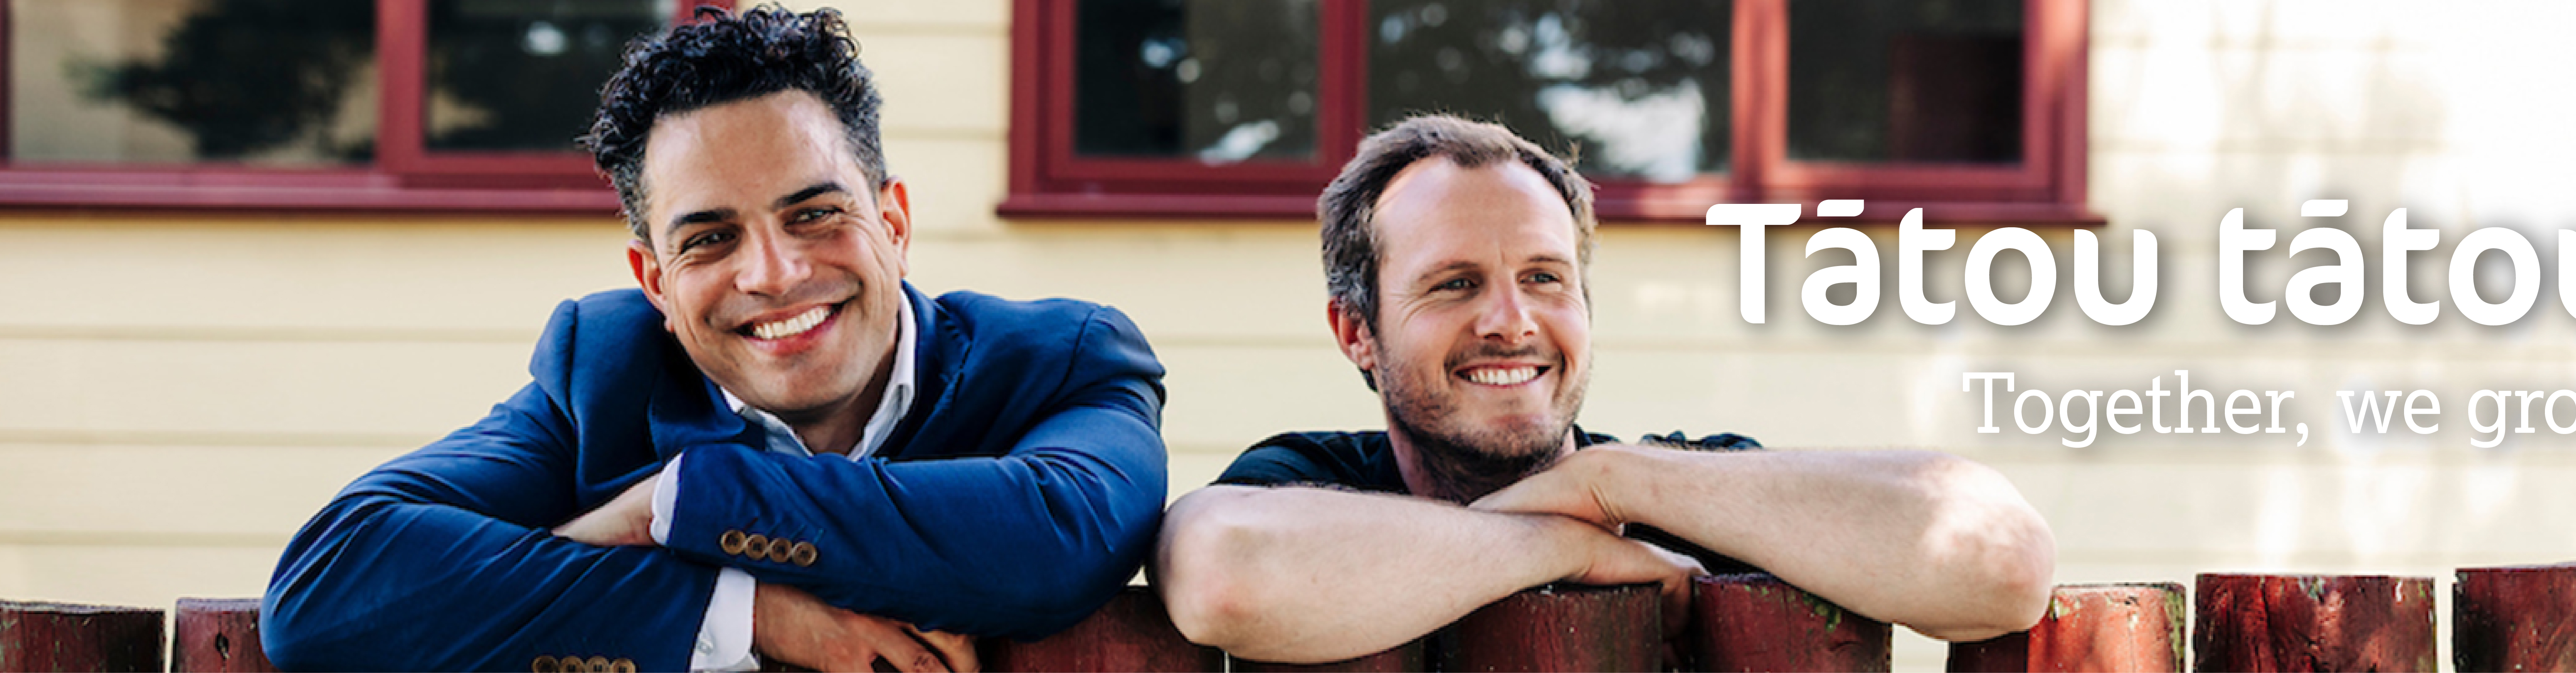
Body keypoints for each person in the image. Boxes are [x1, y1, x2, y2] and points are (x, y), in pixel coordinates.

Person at [261, 8, 1168, 672]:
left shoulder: (1061, 362)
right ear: (655, 281)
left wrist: (676, 501)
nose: (772, 274)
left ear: (893, 223)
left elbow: (1058, 540)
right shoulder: (605, 377)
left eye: (814, 214)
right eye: (709, 238)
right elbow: (330, 590)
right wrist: (749, 611)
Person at [1150, 116, 2057, 664]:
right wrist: (1567, 547)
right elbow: (1227, 572)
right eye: (1455, 284)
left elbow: (2004, 563)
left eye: (1544, 278)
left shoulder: (1684, 496)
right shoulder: (1309, 484)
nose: (1511, 321)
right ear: (1356, 331)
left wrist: (1610, 482)